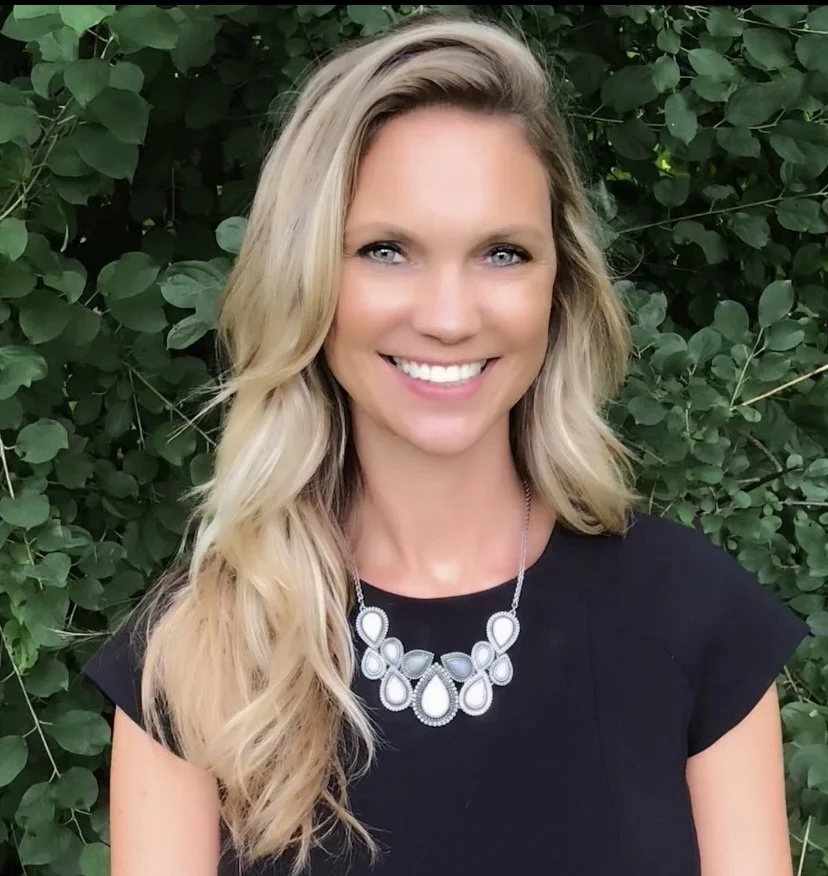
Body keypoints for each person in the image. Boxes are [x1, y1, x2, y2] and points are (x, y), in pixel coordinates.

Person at [79, 13, 812, 876]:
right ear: (307, 276)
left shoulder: (698, 624)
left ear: (559, 287)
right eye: (387, 251)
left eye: (502, 254)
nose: (450, 317)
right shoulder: (194, 658)